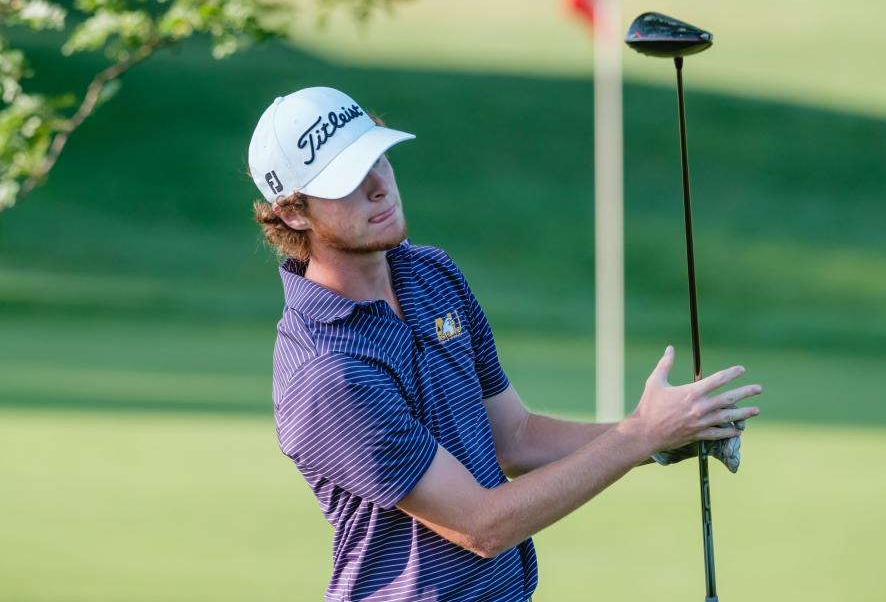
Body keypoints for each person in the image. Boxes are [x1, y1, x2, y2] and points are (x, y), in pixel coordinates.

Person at [247, 86, 762, 602]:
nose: (380, 185)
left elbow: (515, 437)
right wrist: (638, 436)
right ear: (293, 213)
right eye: (346, 180)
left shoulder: (431, 276)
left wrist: (667, 438)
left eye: (378, 158)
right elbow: (481, 526)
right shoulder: (325, 371)